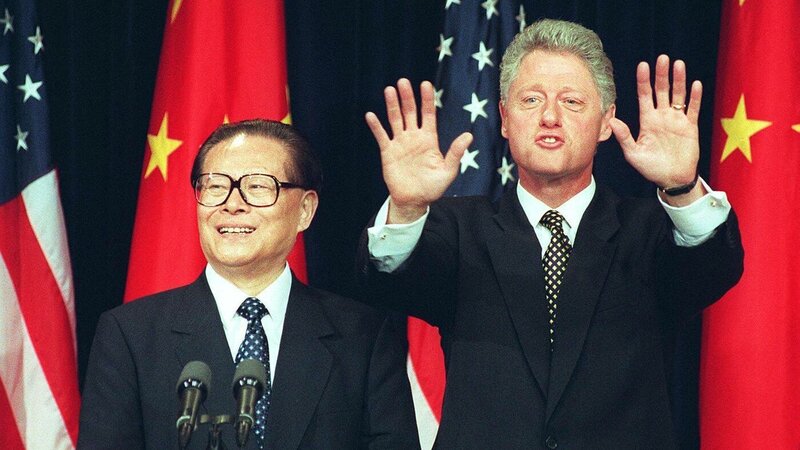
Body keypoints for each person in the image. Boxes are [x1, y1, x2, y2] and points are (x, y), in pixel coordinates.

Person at [358, 19, 743, 449]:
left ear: (606, 121)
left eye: (572, 102)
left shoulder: (651, 230)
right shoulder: (459, 229)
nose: (549, 117)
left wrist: (682, 188)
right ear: (504, 118)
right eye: (531, 99)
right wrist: (408, 207)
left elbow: (714, 269)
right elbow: (389, 282)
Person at [78, 119, 420, 449]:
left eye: (257, 186)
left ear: (305, 210)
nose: (232, 204)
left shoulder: (362, 336)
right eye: (215, 186)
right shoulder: (130, 335)